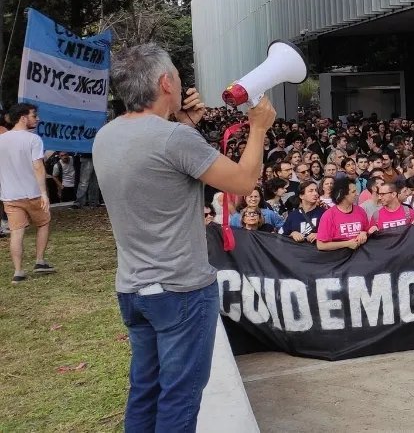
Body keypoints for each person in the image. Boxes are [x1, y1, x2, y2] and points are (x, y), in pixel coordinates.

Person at [94, 43, 275, 432]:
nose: (182, 81)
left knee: (145, 391)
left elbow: (159, 170)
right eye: (176, 74)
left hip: (134, 287)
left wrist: (182, 122)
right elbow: (242, 183)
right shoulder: (174, 139)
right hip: (181, 291)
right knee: (180, 398)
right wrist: (258, 128)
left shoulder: (105, 136)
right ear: (165, 83)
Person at [0, 103, 54, 283]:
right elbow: (38, 166)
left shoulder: (2, 139)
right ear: (23, 118)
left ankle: (18, 271)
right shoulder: (33, 139)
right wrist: (44, 193)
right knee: (44, 223)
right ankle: (39, 261)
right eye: (34, 115)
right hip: (33, 193)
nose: (37, 118)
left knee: (16, 232)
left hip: (10, 195)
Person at [316, 176, 371, 251]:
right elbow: (320, 245)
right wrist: (347, 244)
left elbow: (367, 230)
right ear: (342, 194)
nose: (357, 194)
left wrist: (364, 233)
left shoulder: (360, 211)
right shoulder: (329, 215)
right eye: (353, 192)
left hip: (360, 256)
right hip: (339, 257)